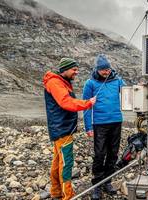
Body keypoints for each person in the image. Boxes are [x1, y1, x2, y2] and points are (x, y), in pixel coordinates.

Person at [43, 57, 96, 200]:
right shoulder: (55, 83)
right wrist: (87, 103)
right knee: (66, 162)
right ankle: (68, 196)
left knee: (57, 160)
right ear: (65, 69)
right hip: (62, 129)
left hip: (61, 128)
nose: (76, 72)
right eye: (74, 69)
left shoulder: (60, 82)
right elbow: (66, 102)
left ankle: (56, 192)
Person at [83, 54, 125, 199]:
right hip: (99, 124)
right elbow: (86, 106)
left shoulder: (117, 80)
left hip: (116, 121)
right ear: (97, 69)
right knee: (100, 154)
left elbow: (128, 94)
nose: (106, 72)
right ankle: (97, 185)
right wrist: (88, 127)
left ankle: (107, 181)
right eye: (103, 70)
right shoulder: (90, 83)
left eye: (107, 69)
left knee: (113, 154)